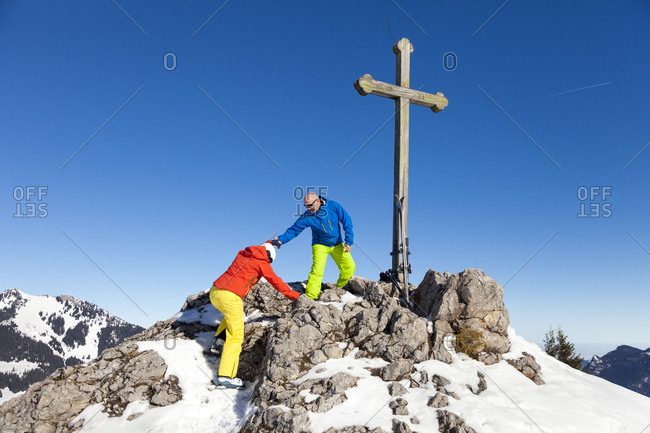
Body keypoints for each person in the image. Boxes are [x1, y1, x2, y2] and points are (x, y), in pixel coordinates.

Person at [209, 242, 300, 389]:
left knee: (232, 316)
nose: (269, 263)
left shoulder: (245, 254)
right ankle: (226, 376)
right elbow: (275, 281)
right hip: (231, 296)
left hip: (215, 292)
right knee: (236, 336)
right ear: (268, 256)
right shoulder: (262, 262)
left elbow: (264, 247)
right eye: (270, 261)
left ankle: (218, 342)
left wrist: (272, 243)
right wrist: (295, 296)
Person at [272, 192, 355, 300]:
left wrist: (349, 241)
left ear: (317, 201)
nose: (308, 208)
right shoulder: (307, 216)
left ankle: (340, 289)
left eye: (309, 205)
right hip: (320, 244)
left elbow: (347, 221)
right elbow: (294, 230)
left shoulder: (333, 206)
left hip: (337, 244)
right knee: (317, 270)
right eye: (305, 206)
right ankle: (310, 298)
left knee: (349, 267)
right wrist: (281, 240)